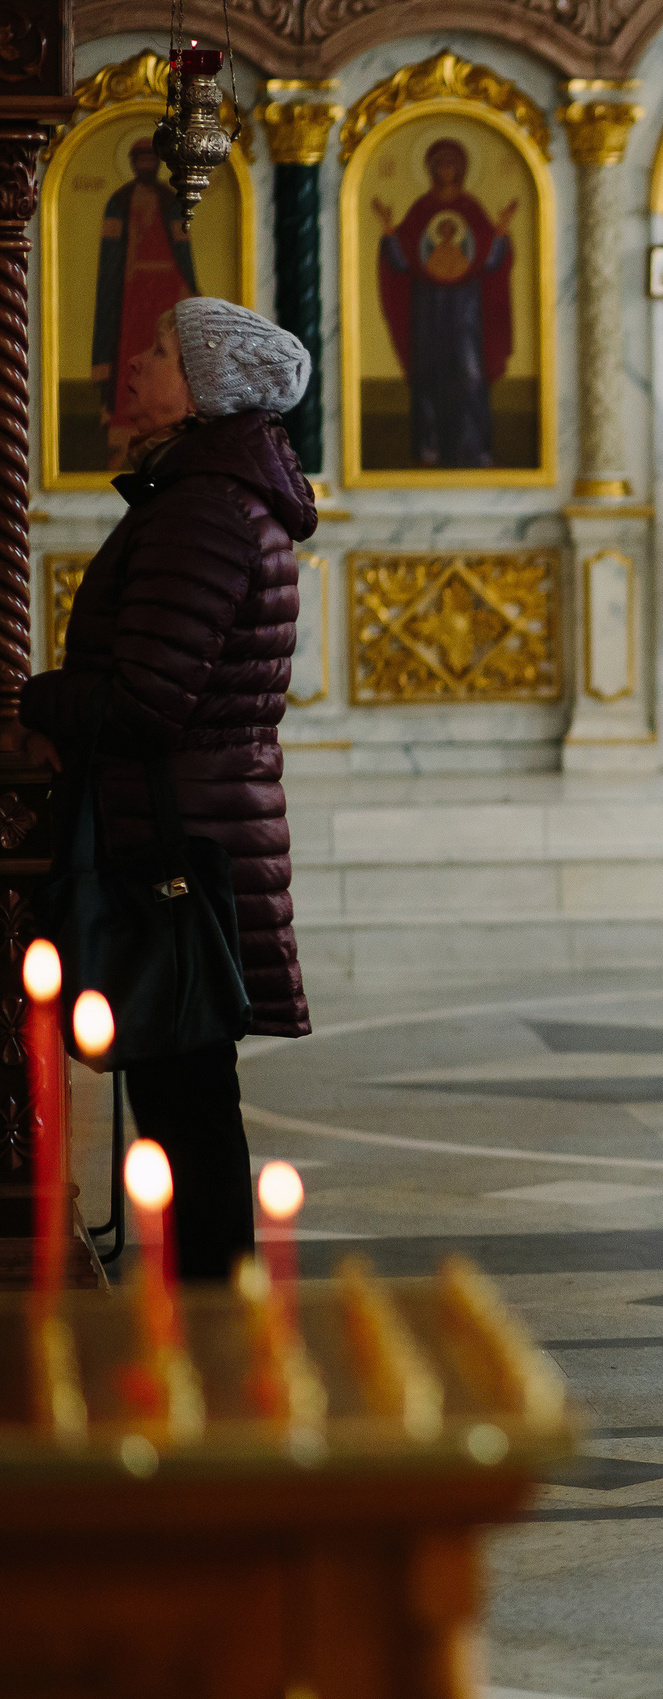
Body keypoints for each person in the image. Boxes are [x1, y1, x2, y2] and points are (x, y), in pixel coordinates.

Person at [17, 296, 316, 1281]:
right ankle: (213, 1307)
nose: (136, 363)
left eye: (156, 351)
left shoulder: (202, 509)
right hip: (191, 820)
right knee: (186, 1097)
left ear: (202, 388)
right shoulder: (212, 493)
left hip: (173, 839)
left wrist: (38, 702)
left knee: (186, 1103)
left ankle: (216, 1314)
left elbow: (149, 702)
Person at [373, 137, 517, 468]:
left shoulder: (471, 209)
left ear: (462, 169)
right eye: (440, 164)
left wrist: (500, 233)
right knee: (428, 374)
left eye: (452, 164)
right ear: (431, 169)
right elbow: (404, 261)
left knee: (470, 375)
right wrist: (389, 232)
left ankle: (473, 447)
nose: (446, 170)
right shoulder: (422, 210)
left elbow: (489, 261)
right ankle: (430, 446)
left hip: (466, 308)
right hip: (428, 306)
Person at [91, 139, 200, 470]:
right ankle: (123, 441)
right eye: (141, 159)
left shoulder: (171, 200)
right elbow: (111, 256)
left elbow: (182, 250)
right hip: (132, 291)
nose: (147, 165)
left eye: (152, 159)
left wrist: (190, 287)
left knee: (167, 358)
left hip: (166, 288)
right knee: (130, 356)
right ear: (133, 162)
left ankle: (168, 437)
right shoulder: (120, 200)